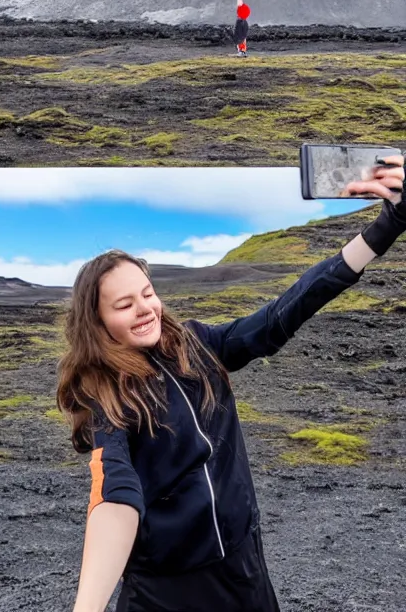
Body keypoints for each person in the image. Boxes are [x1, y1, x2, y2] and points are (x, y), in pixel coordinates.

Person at [56, 155, 405, 612]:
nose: (145, 309)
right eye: (124, 304)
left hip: (243, 567)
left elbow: (283, 313)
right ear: (97, 321)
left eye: (148, 293)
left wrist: (384, 229)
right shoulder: (101, 391)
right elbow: (114, 491)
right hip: (172, 591)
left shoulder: (198, 344)